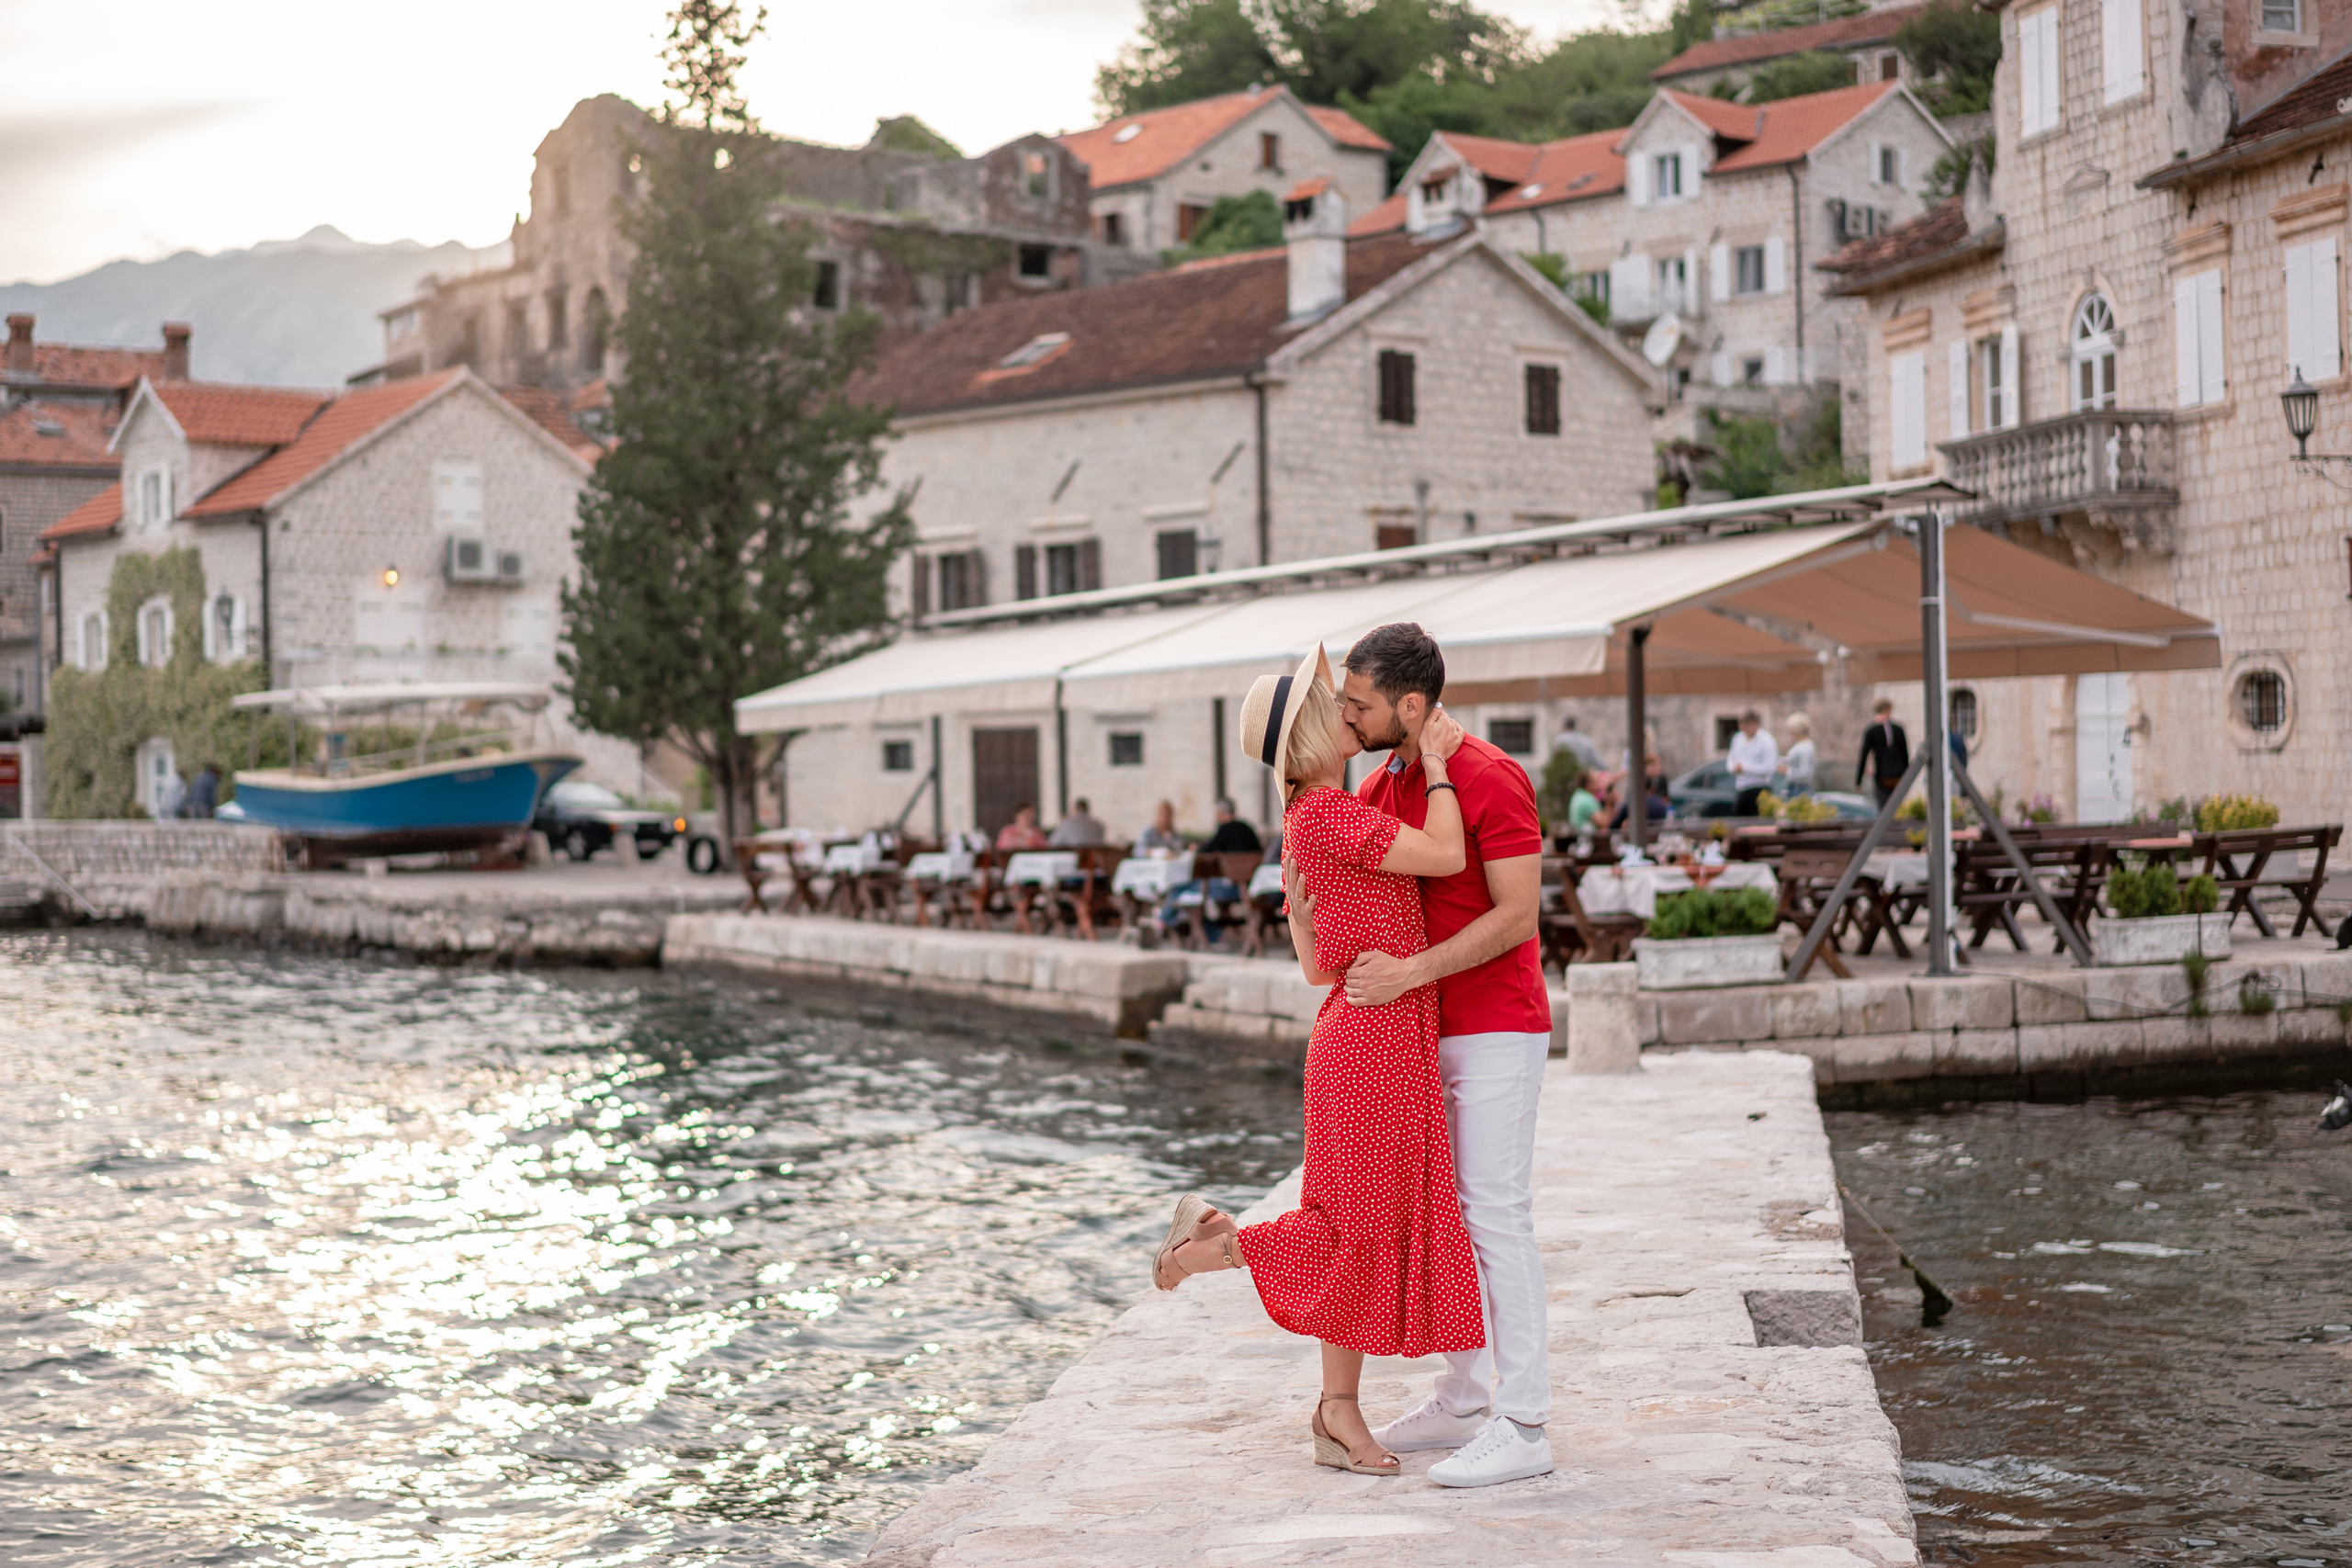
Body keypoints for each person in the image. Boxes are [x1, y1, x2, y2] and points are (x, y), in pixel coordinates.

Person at [1150, 644, 1484, 1480]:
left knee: (1359, 1233)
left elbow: (1313, 964)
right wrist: (1438, 763)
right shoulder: (1330, 816)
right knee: (1353, 1235)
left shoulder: (1310, 819)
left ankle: (1335, 1410)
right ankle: (1200, 1256)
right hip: (1372, 1043)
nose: (1349, 709)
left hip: (1367, 1032)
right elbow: (1447, 854)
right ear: (1310, 730)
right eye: (1335, 702)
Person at [1329, 622, 1558, 1489]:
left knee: (1497, 1212)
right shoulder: (1389, 780)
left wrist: (1412, 973)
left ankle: (1526, 1421)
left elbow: (1518, 914)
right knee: (1447, 1216)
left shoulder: (1491, 774)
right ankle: (1464, 1396)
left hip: (1497, 1024)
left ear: (1412, 705)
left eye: (1361, 704)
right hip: (1422, 1032)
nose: (1349, 719)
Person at [1856, 699, 1910, 807]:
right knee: (1897, 809)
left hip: (1881, 779)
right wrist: (1907, 778)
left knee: (1883, 809)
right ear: (1886, 710)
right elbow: (1905, 756)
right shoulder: (1898, 729)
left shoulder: (1871, 731)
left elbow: (1864, 756)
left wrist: (1858, 781)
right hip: (1898, 779)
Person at [1727, 709, 1778, 817]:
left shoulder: (1766, 741)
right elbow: (1731, 760)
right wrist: (1733, 768)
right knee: (1738, 821)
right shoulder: (1738, 739)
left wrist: (1745, 768)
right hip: (1742, 788)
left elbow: (1769, 768)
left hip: (1759, 788)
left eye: (1747, 726)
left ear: (1755, 724)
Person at [1779, 714, 1816, 795]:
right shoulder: (1802, 745)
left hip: (1799, 789)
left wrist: (1786, 771)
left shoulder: (1805, 748)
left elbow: (1805, 772)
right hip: (1794, 787)